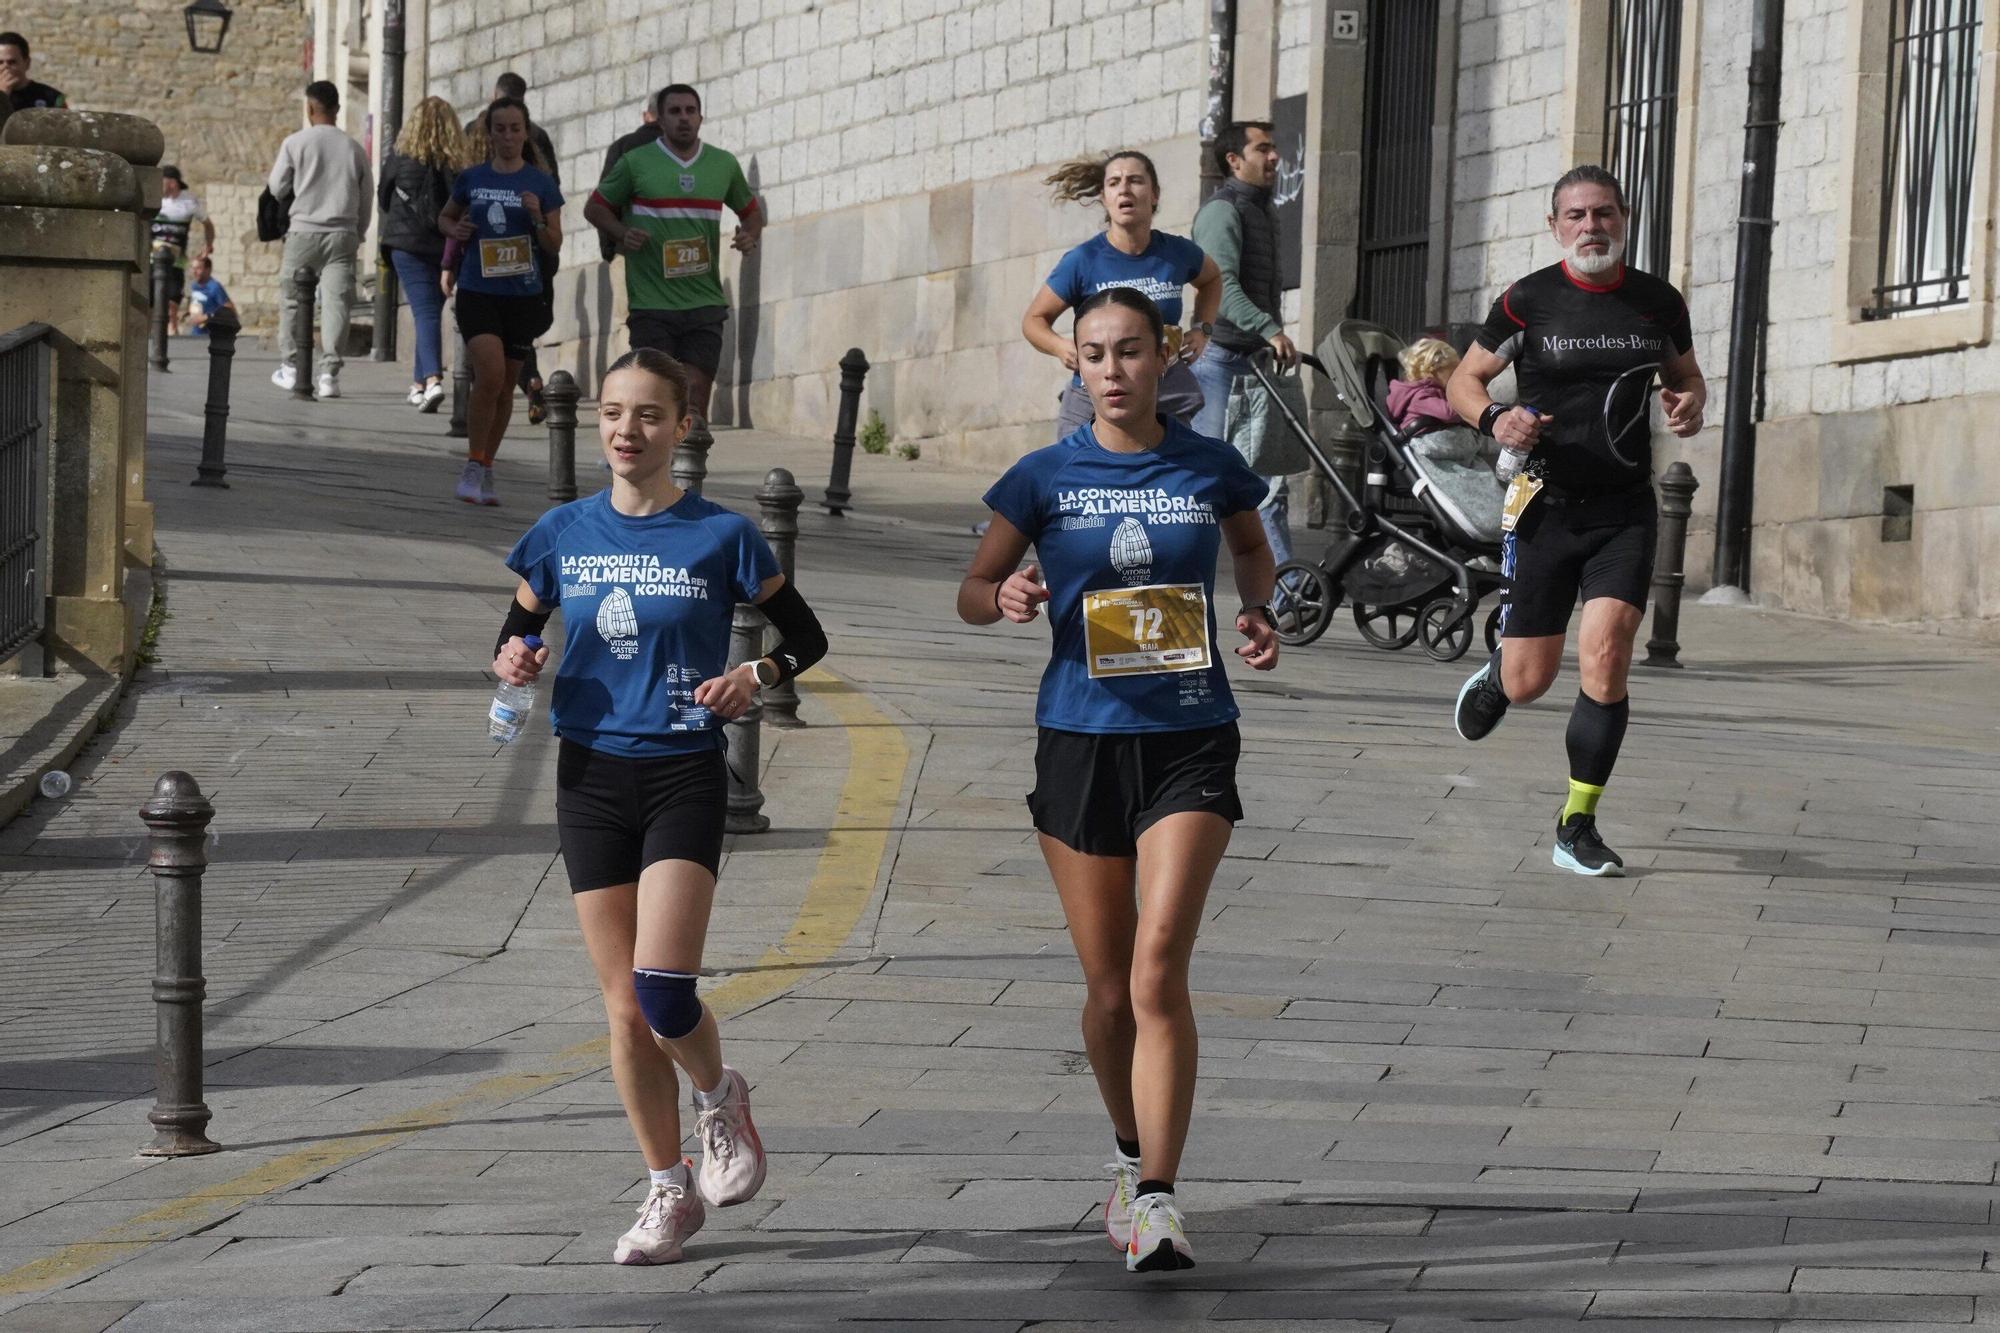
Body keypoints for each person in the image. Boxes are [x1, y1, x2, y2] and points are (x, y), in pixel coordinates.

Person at [958, 287, 1279, 1273]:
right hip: (1079, 739)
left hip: (1189, 736)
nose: (1110, 369)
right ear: (1076, 367)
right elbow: (972, 592)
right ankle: (1126, 1148)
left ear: (1162, 358)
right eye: (1092, 353)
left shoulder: (1209, 463)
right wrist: (1004, 592)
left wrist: (1260, 612)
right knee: (1105, 992)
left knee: (1156, 968)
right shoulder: (1041, 476)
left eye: (1129, 350)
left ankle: (1157, 1200)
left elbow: (1251, 550)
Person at [491, 347, 829, 1265]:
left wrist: (752, 674)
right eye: (611, 413)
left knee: (663, 990)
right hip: (589, 775)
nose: (625, 431)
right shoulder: (562, 531)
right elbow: (517, 630)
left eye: (647, 415)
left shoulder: (722, 538)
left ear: (684, 427)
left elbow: (806, 638)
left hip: (683, 771)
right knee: (622, 1011)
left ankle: (720, 1097)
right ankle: (667, 1190)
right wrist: (514, 660)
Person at [1447, 164, 1707, 877]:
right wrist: (1497, 417)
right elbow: (1461, 382)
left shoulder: (1657, 302)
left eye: (1604, 213)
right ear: (1555, 226)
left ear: (1624, 219)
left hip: (1624, 509)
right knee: (1532, 678)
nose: (1592, 226)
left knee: (1609, 650)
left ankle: (1577, 821)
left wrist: (1687, 403)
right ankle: (1502, 674)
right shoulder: (1528, 300)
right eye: (1577, 215)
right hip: (1545, 506)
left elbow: (1687, 379)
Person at [585, 83, 763, 424]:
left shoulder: (722, 164)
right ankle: (653, 469)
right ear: (660, 121)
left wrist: (748, 236)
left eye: (690, 111)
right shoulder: (635, 163)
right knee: (657, 399)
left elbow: (752, 214)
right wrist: (623, 233)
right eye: (675, 111)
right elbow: (595, 208)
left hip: (704, 302)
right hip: (652, 304)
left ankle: (689, 476)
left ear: (700, 118)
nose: (684, 118)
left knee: (695, 400)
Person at [1024, 150, 1222, 439]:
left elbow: (1212, 279)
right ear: (1104, 198)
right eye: (1114, 182)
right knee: (1075, 474)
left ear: (1154, 194)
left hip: (1163, 391)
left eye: (1135, 180)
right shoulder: (1083, 260)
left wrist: (1202, 328)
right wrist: (1059, 347)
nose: (1125, 189)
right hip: (1097, 394)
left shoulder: (1177, 252)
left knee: (1174, 475)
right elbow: (1034, 320)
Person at [440, 97, 562, 506]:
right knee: (489, 375)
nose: (507, 136)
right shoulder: (471, 178)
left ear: (525, 132)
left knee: (507, 386)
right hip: (477, 290)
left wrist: (538, 218)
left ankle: (487, 465)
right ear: (488, 134)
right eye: (500, 128)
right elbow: (445, 217)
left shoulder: (542, 184)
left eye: (515, 128)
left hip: (522, 295)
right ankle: (472, 463)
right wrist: (456, 231)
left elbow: (553, 243)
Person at [1189, 122, 1300, 572]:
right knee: (1199, 478)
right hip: (1219, 363)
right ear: (1234, 160)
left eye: (1274, 149)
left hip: (1252, 366)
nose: (1274, 158)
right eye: (1263, 149)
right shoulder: (1223, 211)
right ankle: (1174, 568)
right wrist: (1269, 328)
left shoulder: (1261, 209)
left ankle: (1287, 585)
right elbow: (1222, 288)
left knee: (1265, 480)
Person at [267, 80, 373, 399]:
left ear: (310, 108)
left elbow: (276, 187)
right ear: (338, 109)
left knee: (291, 298)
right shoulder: (353, 148)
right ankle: (329, 374)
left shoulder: (295, 143)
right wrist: (359, 230)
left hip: (304, 230)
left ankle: (291, 366)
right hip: (343, 233)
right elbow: (366, 195)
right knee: (337, 302)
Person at [379, 96, 467, 412]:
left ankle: (431, 381)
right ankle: (418, 385)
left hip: (406, 246)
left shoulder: (399, 158)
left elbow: (384, 199)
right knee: (427, 311)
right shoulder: (455, 166)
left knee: (425, 312)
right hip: (442, 248)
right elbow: (459, 211)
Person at [1390, 337, 1505, 544]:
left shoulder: (1427, 392)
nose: (1455, 379)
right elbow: (1450, 412)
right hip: (1430, 447)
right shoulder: (1420, 395)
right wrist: (1469, 400)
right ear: (1433, 371)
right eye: (1452, 373)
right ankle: (1489, 525)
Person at [151, 166, 213, 337]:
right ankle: (152, 331)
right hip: (150, 257)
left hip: (176, 259)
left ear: (172, 182)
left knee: (172, 295)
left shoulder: (188, 202)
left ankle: (172, 325)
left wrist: (208, 245)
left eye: (161, 182)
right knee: (150, 297)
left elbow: (208, 224)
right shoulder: (152, 199)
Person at [598, 102, 661, 262]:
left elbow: (603, 204)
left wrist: (609, 248)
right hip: (679, 249)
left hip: (632, 246)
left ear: (646, 116)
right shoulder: (686, 148)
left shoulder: (622, 146)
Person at [0, 33, 64, 114]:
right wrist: (2, 97)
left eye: (12, 62)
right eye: (0, 62)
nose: (5, 67)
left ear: (27, 63)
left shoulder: (52, 97)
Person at [184, 254, 234, 335]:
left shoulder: (214, 287)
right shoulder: (194, 285)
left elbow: (230, 310)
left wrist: (206, 317)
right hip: (195, 334)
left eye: (198, 268)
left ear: (208, 270)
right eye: (193, 268)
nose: (194, 271)